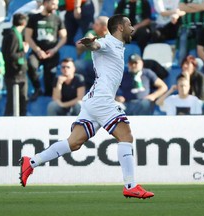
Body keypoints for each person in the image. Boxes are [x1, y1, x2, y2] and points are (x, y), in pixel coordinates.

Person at [19, 14, 154, 199]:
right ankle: (130, 185)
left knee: (73, 143)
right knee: (126, 136)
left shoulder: (118, 45)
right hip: (101, 100)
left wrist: (92, 44)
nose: (133, 27)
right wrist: (90, 43)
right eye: (129, 24)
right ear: (120, 28)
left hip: (92, 99)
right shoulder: (108, 42)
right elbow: (96, 45)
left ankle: (31, 162)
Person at [25, 0, 67, 100]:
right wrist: (38, 50)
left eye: (56, 5)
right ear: (45, 3)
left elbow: (64, 37)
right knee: (30, 64)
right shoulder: (34, 18)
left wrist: (55, 49)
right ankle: (37, 88)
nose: (55, 7)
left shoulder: (57, 19)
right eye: (53, 4)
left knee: (50, 75)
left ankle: (48, 94)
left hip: (52, 53)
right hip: (37, 52)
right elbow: (27, 36)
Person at [1, 13, 28, 116]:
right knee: (14, 102)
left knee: (20, 101)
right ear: (24, 23)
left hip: (16, 73)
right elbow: (11, 55)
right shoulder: (13, 36)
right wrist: (23, 51)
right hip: (15, 73)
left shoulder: (12, 34)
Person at [75, 16, 109, 91]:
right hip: (89, 63)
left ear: (104, 28)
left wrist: (93, 43)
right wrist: (85, 43)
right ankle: (85, 89)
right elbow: (79, 48)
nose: (93, 26)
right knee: (77, 65)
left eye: (96, 25)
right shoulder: (91, 33)